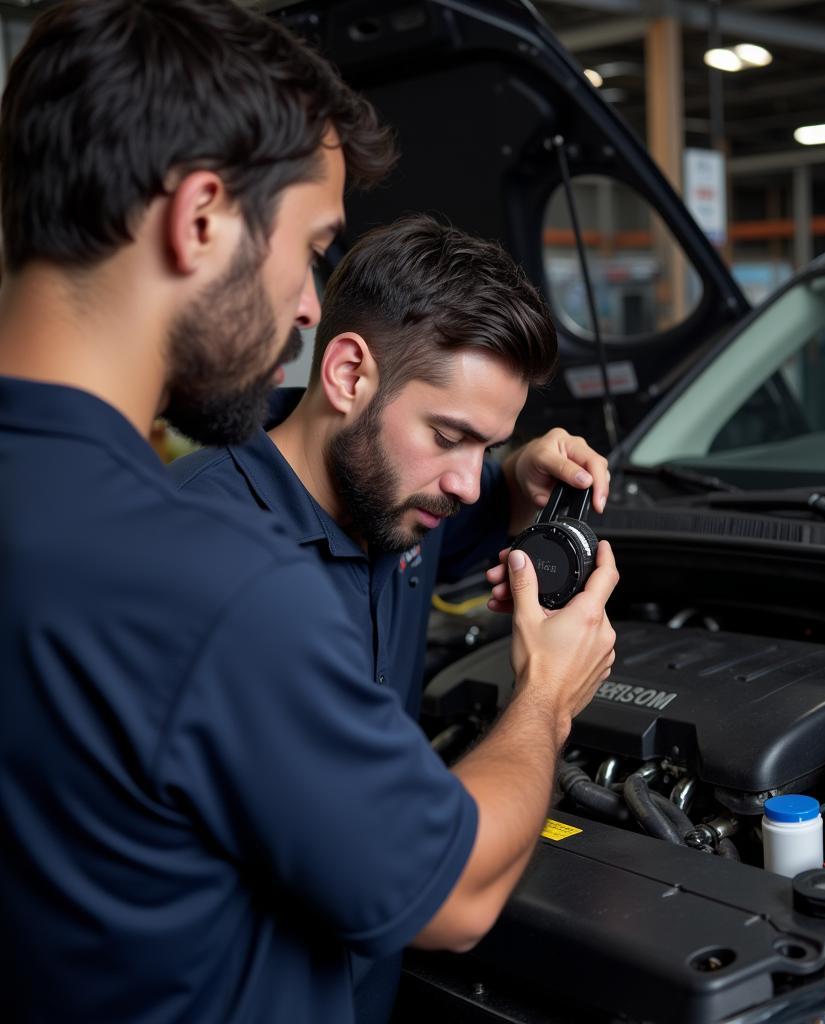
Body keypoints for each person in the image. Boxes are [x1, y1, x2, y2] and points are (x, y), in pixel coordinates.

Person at [0, 3, 618, 1024]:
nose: (303, 305)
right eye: (311, 246)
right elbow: (455, 893)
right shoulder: (209, 577)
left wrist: (502, 482)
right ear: (200, 217)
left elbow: (391, 530)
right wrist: (547, 694)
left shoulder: (63, 516)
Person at [170, 213, 614, 1019]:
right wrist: (548, 693)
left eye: (488, 447)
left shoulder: (389, 502)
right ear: (346, 374)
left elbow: (453, 523)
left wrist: (517, 474)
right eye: (451, 436)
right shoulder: (212, 562)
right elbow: (438, 896)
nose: (467, 483)